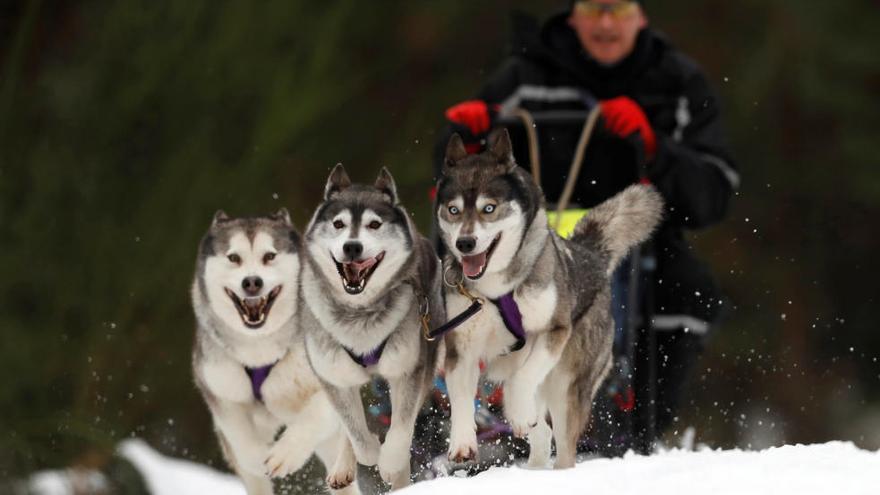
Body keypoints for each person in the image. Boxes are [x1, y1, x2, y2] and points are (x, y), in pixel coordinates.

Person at [435, 0, 739, 442]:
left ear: (640, 15)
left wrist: (654, 147)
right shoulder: (524, 77)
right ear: (574, 15)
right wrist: (465, 135)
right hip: (521, 237)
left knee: (688, 296)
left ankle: (631, 420)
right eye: (595, 9)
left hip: (639, 242)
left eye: (617, 10)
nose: (606, 22)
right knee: (446, 272)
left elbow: (713, 194)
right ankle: (455, 399)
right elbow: (452, 179)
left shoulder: (678, 83)